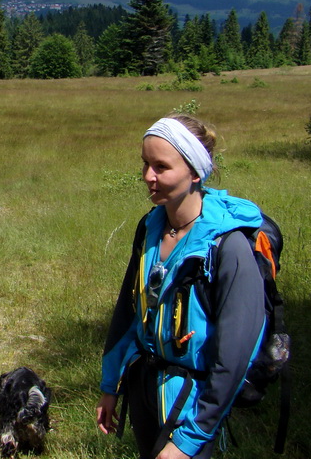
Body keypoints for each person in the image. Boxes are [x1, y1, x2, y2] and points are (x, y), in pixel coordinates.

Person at [96, 114, 265, 459]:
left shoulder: (228, 247)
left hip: (191, 403)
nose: (147, 177)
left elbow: (235, 355)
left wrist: (189, 439)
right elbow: (129, 311)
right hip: (143, 387)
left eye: (161, 166)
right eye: (145, 163)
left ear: (195, 172)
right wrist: (110, 385)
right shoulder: (151, 227)